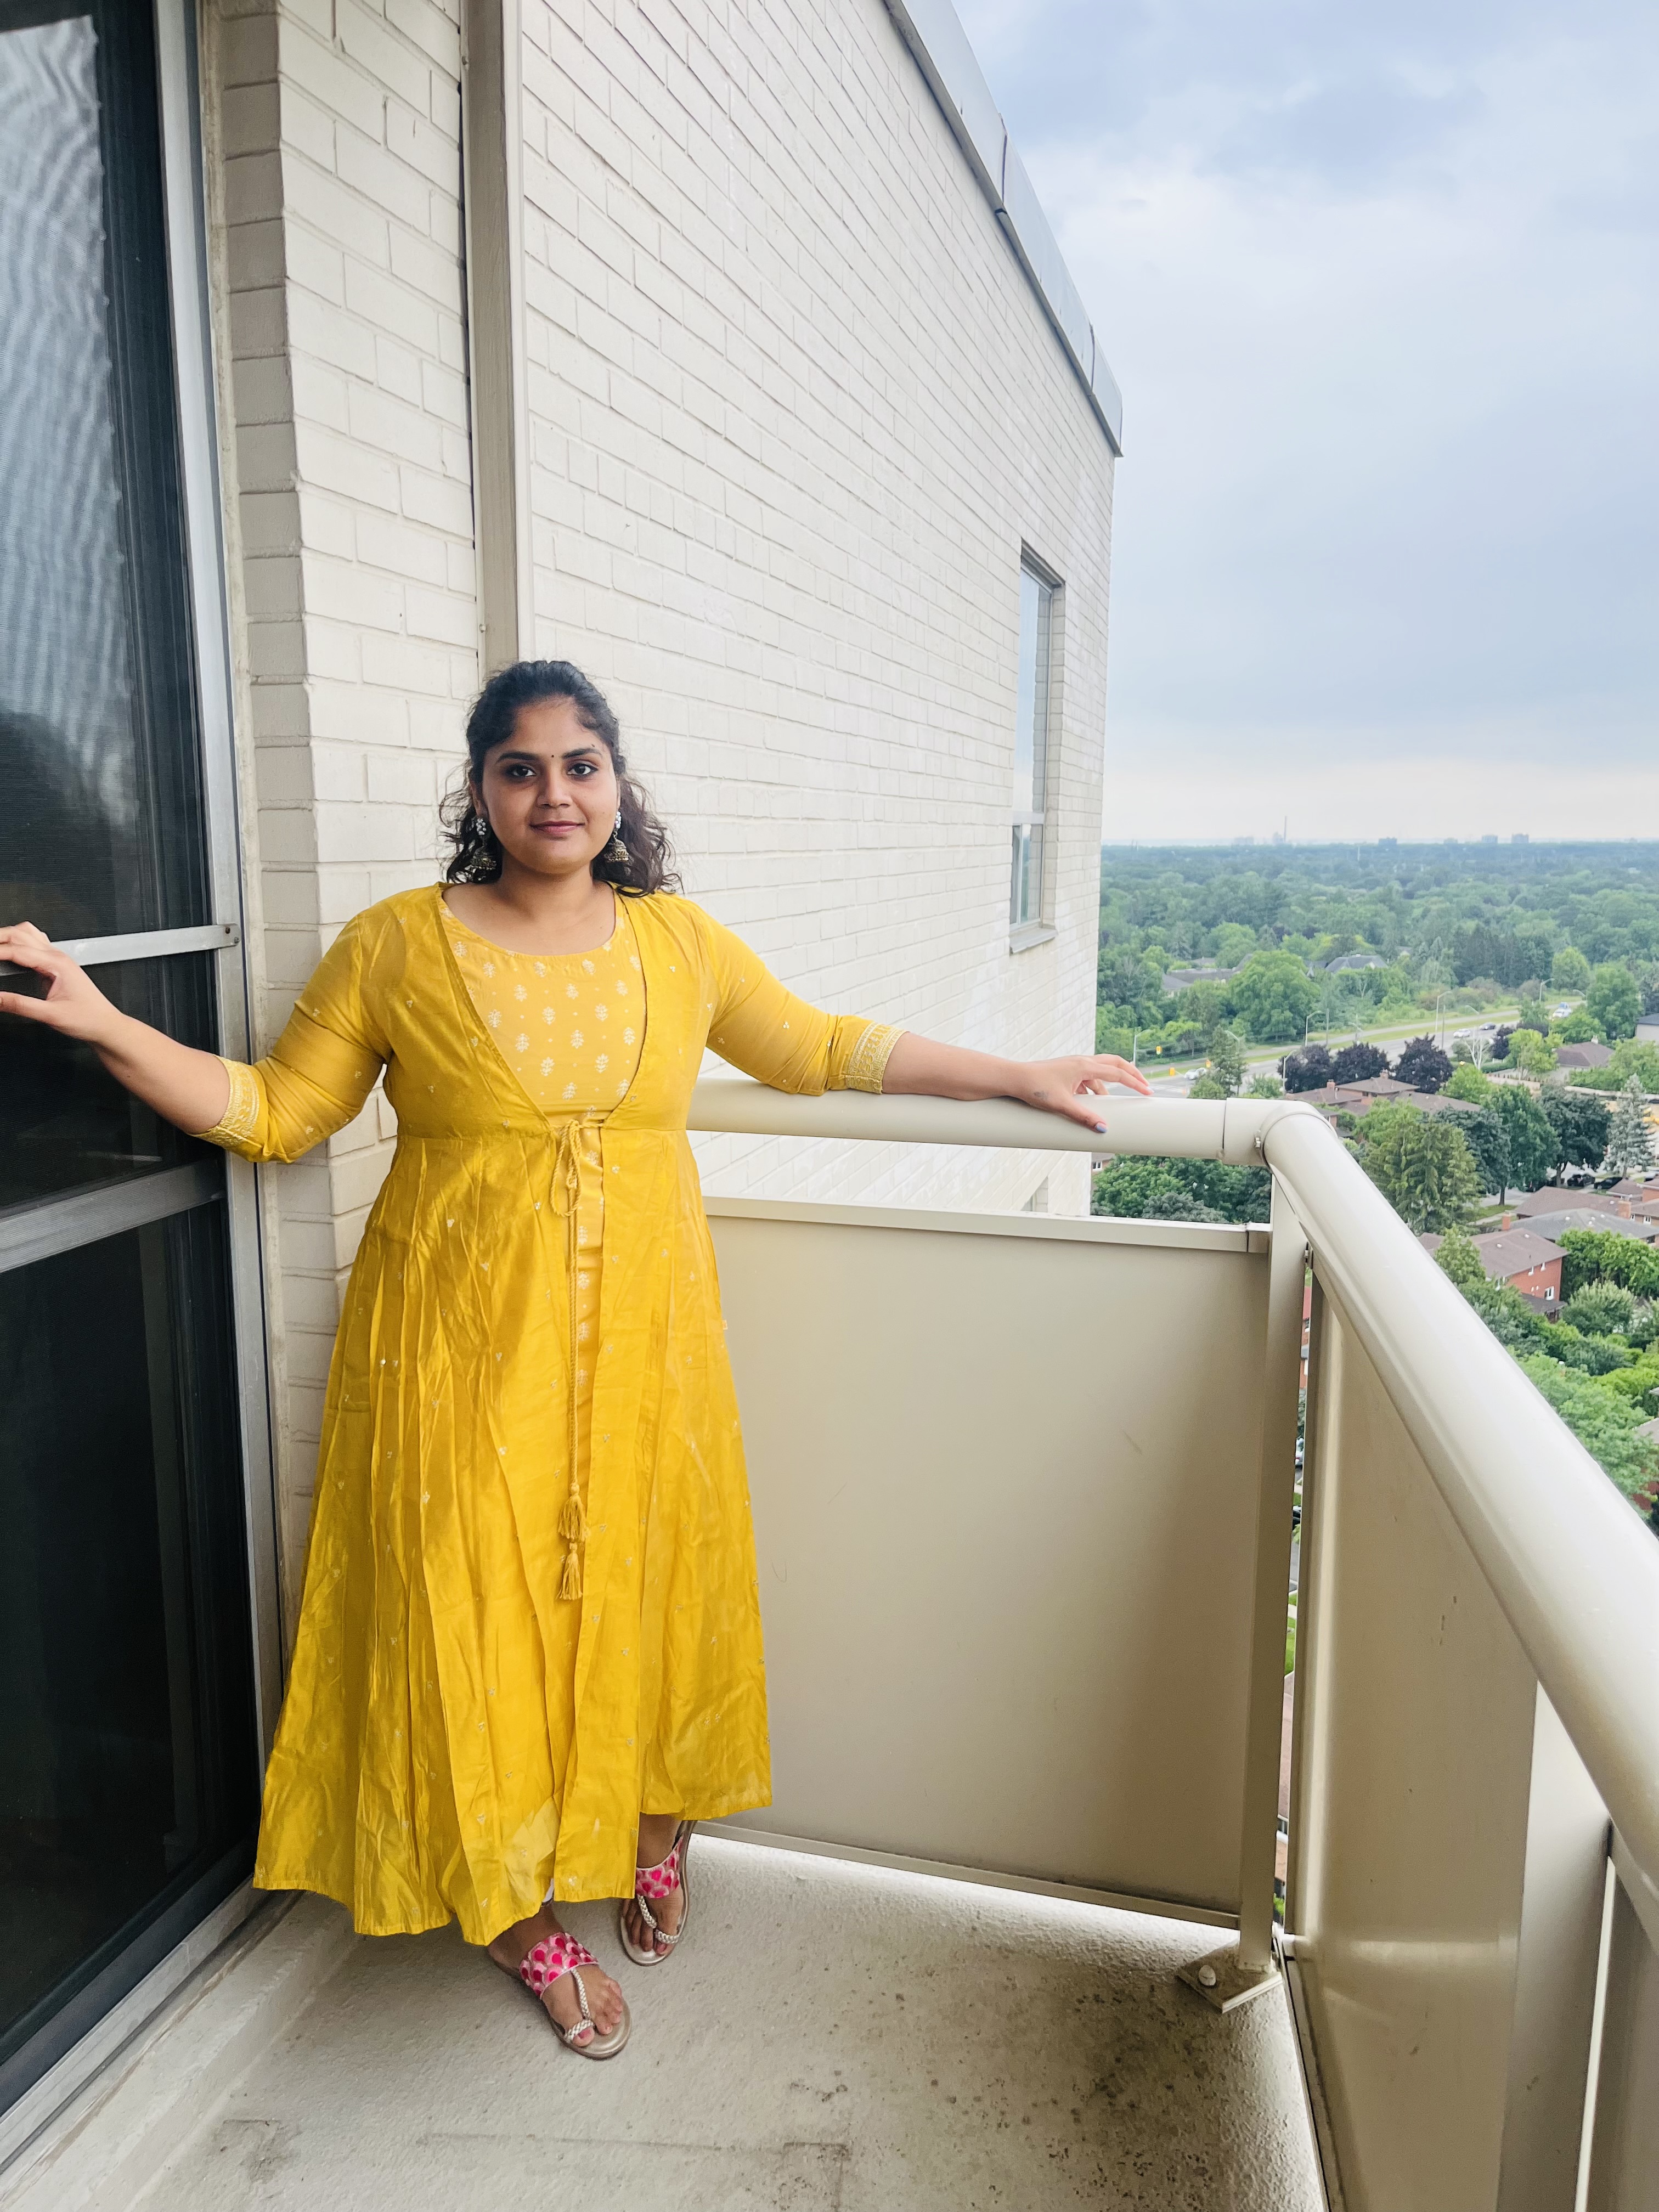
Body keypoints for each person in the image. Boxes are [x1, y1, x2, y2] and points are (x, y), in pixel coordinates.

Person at [0, 660, 1150, 2058]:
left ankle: (654, 1829)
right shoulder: (394, 946)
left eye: (581, 764)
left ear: (617, 783)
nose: (555, 793)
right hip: (460, 1359)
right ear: (480, 790)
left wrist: (1021, 1074)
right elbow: (276, 1112)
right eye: (521, 767)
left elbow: (818, 1048)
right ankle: (514, 1908)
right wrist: (105, 1021)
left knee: (650, 1585)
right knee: (475, 1616)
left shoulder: (678, 943)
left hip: (648, 1350)